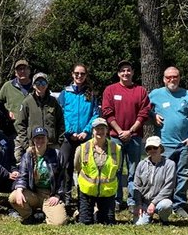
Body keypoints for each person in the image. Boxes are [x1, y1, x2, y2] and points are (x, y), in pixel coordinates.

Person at [147, 65, 188, 218]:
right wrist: (153, 115)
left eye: (175, 76)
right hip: (163, 145)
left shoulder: (187, 95)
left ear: (179, 78)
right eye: (168, 77)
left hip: (184, 143)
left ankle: (179, 204)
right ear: (164, 79)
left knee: (183, 174)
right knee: (163, 175)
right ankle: (162, 203)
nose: (172, 79)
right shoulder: (155, 94)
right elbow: (144, 108)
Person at [100, 60, 150, 208]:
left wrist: (131, 131)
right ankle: (116, 200)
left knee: (134, 171)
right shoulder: (110, 90)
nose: (125, 73)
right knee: (115, 169)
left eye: (128, 70)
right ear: (118, 73)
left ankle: (132, 200)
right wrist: (120, 131)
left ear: (133, 72)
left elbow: (144, 113)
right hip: (115, 137)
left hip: (134, 137)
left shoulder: (140, 91)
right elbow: (107, 112)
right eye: (122, 70)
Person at [8, 126, 69, 225]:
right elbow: (22, 176)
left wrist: (57, 195)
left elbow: (62, 178)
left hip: (50, 195)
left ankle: (44, 215)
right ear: (33, 140)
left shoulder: (57, 154)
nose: (40, 140)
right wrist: (19, 190)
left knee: (59, 223)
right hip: (34, 194)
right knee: (14, 197)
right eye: (37, 138)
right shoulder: (27, 156)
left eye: (42, 138)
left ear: (47, 139)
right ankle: (29, 216)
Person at [56, 65, 98, 200]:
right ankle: (65, 196)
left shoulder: (91, 93)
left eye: (82, 74)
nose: (79, 76)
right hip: (68, 137)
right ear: (72, 74)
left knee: (85, 167)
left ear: (86, 75)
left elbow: (95, 114)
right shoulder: (65, 93)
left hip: (85, 137)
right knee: (65, 166)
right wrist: (70, 132)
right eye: (77, 73)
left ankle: (84, 197)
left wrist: (86, 131)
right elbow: (61, 114)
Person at [73, 118, 122, 225]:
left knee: (108, 223)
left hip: (107, 193)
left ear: (107, 130)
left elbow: (118, 167)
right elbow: (77, 167)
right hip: (87, 192)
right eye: (97, 129)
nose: (100, 131)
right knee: (85, 222)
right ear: (92, 131)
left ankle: (97, 213)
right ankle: (83, 212)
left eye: (102, 128)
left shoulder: (116, 148)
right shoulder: (82, 148)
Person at [15, 72, 64, 160]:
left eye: (43, 83)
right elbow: (19, 124)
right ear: (33, 85)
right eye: (37, 83)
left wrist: (59, 142)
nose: (40, 85)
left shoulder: (54, 102)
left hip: (51, 145)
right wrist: (26, 145)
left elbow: (61, 123)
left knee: (53, 168)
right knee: (34, 168)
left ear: (47, 85)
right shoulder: (27, 102)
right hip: (34, 146)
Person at [133, 137, 177, 225]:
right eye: (149, 148)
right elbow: (136, 186)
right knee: (139, 224)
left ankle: (163, 219)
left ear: (161, 148)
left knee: (166, 205)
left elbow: (169, 187)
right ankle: (147, 216)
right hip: (144, 202)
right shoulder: (141, 164)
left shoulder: (170, 164)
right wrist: (139, 204)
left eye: (155, 147)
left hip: (161, 200)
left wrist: (153, 203)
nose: (152, 150)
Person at [0, 59, 33, 145]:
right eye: (19, 69)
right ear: (15, 72)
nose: (22, 71)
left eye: (25, 68)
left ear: (29, 71)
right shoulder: (8, 86)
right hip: (13, 130)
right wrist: (7, 112)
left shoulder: (36, 86)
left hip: (33, 129)